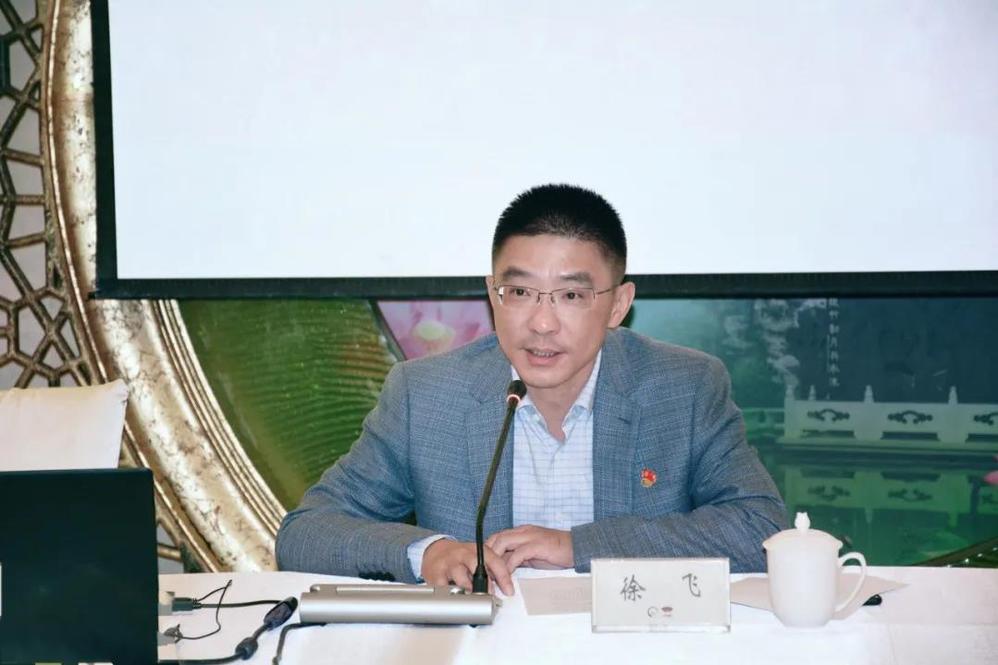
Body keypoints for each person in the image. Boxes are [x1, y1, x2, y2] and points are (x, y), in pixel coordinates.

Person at [276, 184, 787, 595]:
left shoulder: (684, 387)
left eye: (571, 295)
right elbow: (307, 532)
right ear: (492, 294)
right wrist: (428, 553)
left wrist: (577, 547)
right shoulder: (426, 395)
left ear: (617, 304)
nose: (542, 323)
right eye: (519, 292)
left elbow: (759, 529)